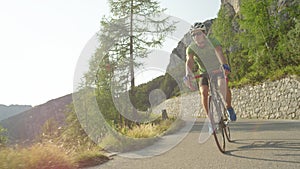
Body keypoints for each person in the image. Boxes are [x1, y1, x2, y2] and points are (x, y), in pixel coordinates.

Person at [184, 22, 237, 121]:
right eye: (194, 35)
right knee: (204, 92)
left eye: (198, 33)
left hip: (217, 69)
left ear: (204, 33)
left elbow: (219, 52)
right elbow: (189, 61)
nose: (196, 37)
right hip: (204, 72)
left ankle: (229, 107)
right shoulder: (191, 48)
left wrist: (224, 66)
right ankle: (210, 120)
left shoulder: (212, 41)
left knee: (222, 86)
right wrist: (188, 74)